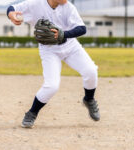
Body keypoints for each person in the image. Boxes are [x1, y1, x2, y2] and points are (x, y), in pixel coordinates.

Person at [7, 0, 100, 128]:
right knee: (52, 86)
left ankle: (89, 99)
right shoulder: (36, 4)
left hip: (71, 46)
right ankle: (32, 112)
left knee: (91, 71)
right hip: (49, 50)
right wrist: (11, 14)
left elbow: (82, 28)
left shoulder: (68, 7)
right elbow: (12, 8)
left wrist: (64, 34)